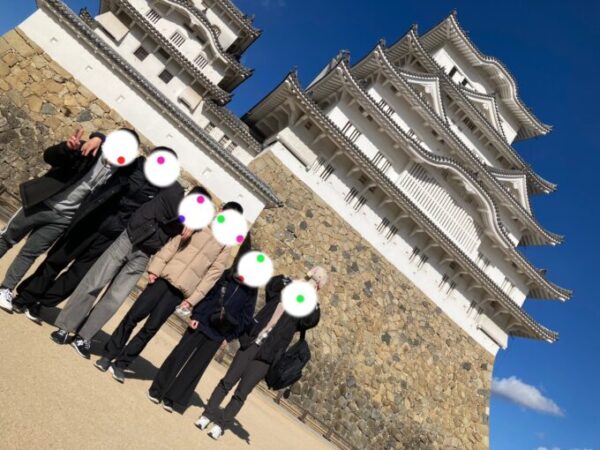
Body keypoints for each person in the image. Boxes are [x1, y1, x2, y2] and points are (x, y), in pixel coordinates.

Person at [12, 143, 169, 324]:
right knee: (56, 260)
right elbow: (108, 146)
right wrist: (98, 138)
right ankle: (26, 296)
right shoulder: (130, 164)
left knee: (78, 275)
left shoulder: (159, 189)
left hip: (112, 235)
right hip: (91, 220)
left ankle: (42, 302)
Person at [50, 152, 185, 359]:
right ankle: (65, 326)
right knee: (94, 281)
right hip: (128, 238)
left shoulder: (178, 193)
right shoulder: (163, 183)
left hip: (146, 252)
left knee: (115, 297)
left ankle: (84, 336)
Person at [95, 195, 242, 383]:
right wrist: (155, 269)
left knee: (151, 328)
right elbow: (173, 245)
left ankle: (122, 364)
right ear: (220, 210)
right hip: (163, 278)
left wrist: (192, 300)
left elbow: (212, 276)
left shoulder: (226, 245)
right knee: (133, 316)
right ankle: (108, 354)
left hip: (180, 291)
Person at [195, 266, 328, 440]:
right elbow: (272, 285)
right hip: (251, 343)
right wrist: (296, 280)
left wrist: (314, 299)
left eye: (313, 283)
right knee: (227, 381)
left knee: (241, 392)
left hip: (268, 355)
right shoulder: (284, 292)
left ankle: (220, 425)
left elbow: (311, 321)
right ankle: (207, 415)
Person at [0, 129, 107, 313]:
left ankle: (5, 289)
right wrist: (67, 148)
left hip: (62, 219)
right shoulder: (89, 150)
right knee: (7, 238)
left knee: (30, 253)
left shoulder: (119, 173)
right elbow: (50, 156)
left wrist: (99, 137)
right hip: (41, 202)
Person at [147, 247, 257, 413]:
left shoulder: (251, 292)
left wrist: (229, 337)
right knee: (179, 355)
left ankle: (173, 398)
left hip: (219, 334)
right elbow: (208, 294)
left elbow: (246, 319)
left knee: (195, 367)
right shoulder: (226, 276)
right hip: (202, 322)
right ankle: (157, 389)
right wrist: (196, 316)